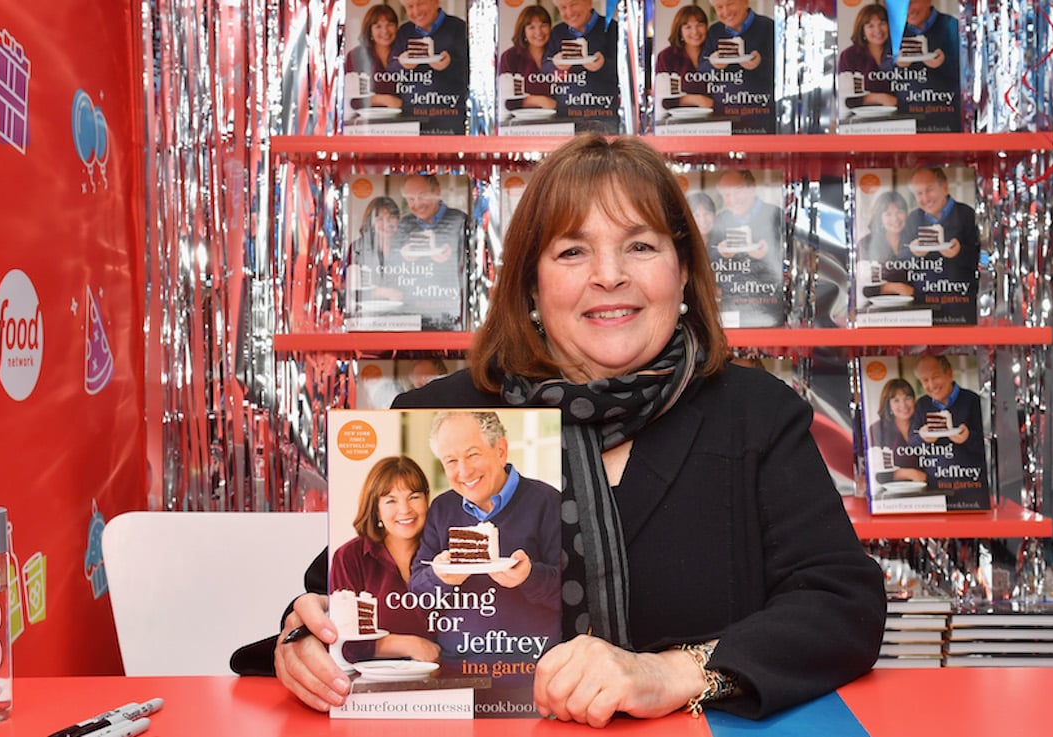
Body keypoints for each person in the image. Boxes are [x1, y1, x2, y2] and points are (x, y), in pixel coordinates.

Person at [274, 135, 885, 724]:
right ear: (531, 285)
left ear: (682, 273)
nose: (610, 275)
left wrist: (677, 673)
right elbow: (337, 594)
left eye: (641, 246)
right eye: (572, 251)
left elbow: (841, 605)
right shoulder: (442, 415)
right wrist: (304, 638)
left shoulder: (756, 413)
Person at [408, 411, 561, 655]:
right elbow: (417, 595)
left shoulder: (548, 502)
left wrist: (529, 576)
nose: (464, 471)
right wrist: (439, 577)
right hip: (456, 667)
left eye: (472, 455)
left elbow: (575, 593)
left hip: (529, 667)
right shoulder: (441, 509)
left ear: (501, 451)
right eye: (450, 461)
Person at [328, 455, 441, 663]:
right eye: (391, 500)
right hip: (374, 685)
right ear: (376, 508)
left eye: (414, 497)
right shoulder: (350, 557)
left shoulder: (444, 554)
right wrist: (411, 645)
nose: (405, 509)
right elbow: (346, 643)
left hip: (449, 680)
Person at [900, 166, 979, 322]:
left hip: (961, 307)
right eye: (919, 193)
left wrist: (960, 252)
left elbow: (983, 259)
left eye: (929, 190)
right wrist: (913, 252)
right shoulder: (913, 219)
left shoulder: (967, 215)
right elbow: (899, 260)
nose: (925, 198)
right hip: (921, 308)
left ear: (944, 187)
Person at [909, 354, 989, 507]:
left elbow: (988, 445)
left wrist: (968, 438)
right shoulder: (922, 405)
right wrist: (923, 438)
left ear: (949, 373)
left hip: (971, 489)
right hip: (934, 490)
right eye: (925, 380)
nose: (931, 385)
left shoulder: (973, 400)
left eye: (936, 376)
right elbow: (911, 443)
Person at [707, 169, 784, 326]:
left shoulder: (776, 215)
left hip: (769, 306)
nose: (732, 199)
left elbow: (793, 259)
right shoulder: (721, 220)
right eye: (726, 195)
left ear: (753, 188)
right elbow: (707, 259)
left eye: (738, 192)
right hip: (730, 307)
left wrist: (769, 253)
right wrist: (720, 253)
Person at [393, 174, 468, 328]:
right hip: (410, 315)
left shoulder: (460, 220)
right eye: (411, 198)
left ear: (437, 192)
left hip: (452, 314)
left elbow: (473, 266)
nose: (417, 204)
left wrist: (453, 256)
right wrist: (402, 258)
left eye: (422, 196)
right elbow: (388, 270)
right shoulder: (404, 224)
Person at [392, 0, 469, 133]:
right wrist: (402, 64)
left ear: (436, 2)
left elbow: (471, 71)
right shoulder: (404, 31)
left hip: (449, 115)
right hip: (412, 117)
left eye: (421, 3)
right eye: (410, 6)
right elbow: (389, 70)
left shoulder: (459, 28)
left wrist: (450, 63)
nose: (416, 11)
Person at [700, 0, 775, 133]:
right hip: (723, 119)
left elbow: (785, 72)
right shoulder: (714, 31)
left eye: (730, 4)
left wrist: (760, 64)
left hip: (761, 118)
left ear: (745, 2)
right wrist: (713, 64)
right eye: (719, 7)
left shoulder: (769, 27)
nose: (726, 11)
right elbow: (701, 72)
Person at [547, 0, 620, 133]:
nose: (569, 12)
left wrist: (603, 65)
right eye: (563, 7)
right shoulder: (557, 32)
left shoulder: (611, 28)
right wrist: (556, 66)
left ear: (589, 3)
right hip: (566, 117)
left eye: (574, 4)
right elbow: (543, 71)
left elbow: (626, 73)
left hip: (604, 116)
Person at [900, 0, 961, 131]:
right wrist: (897, 64)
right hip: (906, 121)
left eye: (912, 2)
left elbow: (969, 73)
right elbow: (881, 69)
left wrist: (944, 62)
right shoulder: (896, 30)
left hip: (946, 120)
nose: (907, 9)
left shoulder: (951, 26)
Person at [654, 4, 715, 112]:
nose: (695, 32)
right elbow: (665, 100)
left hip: (718, 118)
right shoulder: (667, 57)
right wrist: (697, 100)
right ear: (680, 31)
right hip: (680, 122)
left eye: (700, 25)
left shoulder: (716, 54)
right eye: (688, 27)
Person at [837, 3, 898, 109]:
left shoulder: (901, 51)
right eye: (870, 26)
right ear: (862, 30)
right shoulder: (849, 55)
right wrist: (879, 98)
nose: (878, 30)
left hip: (903, 116)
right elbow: (848, 99)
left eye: (882, 23)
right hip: (862, 120)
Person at [857, 189, 915, 300]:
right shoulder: (866, 244)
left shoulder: (916, 241)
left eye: (899, 212)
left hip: (918, 307)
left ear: (906, 214)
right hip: (878, 311)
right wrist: (896, 287)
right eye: (888, 214)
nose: (895, 218)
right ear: (880, 218)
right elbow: (864, 287)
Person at [499, 4, 558, 113]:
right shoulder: (510, 57)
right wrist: (540, 100)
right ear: (523, 31)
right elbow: (508, 101)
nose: (539, 32)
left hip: (561, 119)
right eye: (531, 27)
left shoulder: (560, 55)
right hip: (522, 123)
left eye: (543, 25)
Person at [344, 4, 404, 110]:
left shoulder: (406, 54)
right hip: (367, 122)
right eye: (378, 26)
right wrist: (384, 99)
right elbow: (354, 100)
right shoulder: (356, 56)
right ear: (370, 30)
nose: (385, 31)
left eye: (390, 24)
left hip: (407, 119)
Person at [867, 378, 926, 483]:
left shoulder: (925, 424)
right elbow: (877, 473)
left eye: (907, 398)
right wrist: (910, 473)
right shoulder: (877, 430)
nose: (903, 405)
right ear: (888, 405)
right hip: (893, 493)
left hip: (931, 489)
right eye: (896, 400)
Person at [348, 195, 405, 303]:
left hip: (403, 313)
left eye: (391, 217)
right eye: (379, 219)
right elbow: (349, 288)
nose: (387, 223)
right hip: (367, 313)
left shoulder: (407, 248)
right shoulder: (358, 248)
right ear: (370, 222)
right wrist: (382, 292)